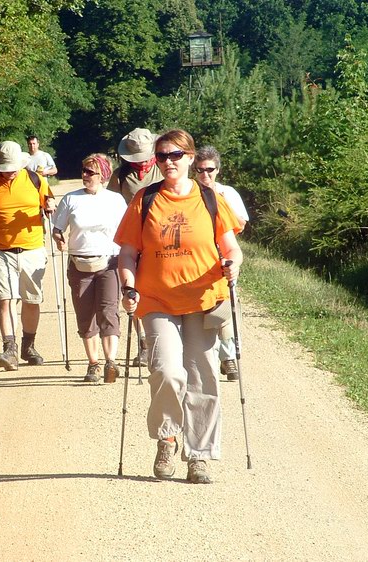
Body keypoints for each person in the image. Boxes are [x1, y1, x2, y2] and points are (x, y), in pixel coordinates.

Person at [114, 129, 243, 484]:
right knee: (168, 372)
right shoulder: (145, 199)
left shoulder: (210, 198)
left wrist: (234, 265)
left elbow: (231, 247)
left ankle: (198, 456)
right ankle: (167, 437)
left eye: (175, 155)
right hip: (156, 299)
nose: (168, 162)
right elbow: (127, 252)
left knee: (203, 376)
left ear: (189, 157)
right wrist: (128, 284)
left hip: (204, 300)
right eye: (162, 156)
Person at [0, 140, 56, 370]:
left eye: (11, 167)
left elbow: (49, 202)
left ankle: (28, 346)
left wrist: (49, 206)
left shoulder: (35, 179)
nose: (7, 172)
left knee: (31, 301)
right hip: (1, 250)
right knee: (5, 300)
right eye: (3, 168)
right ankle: (9, 350)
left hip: (32, 248)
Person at [51, 154, 128, 383]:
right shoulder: (70, 199)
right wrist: (58, 238)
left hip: (110, 261)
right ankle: (93, 364)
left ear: (103, 175)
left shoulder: (115, 200)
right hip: (79, 263)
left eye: (90, 172)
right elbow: (58, 227)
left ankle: (110, 362)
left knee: (108, 311)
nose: (85, 175)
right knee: (85, 315)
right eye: (84, 170)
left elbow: (126, 229)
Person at [108, 127, 163, 368]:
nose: (140, 163)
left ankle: (163, 340)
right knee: (134, 290)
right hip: (132, 240)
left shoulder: (164, 169)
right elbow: (107, 203)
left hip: (162, 239)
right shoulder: (120, 176)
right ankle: (143, 344)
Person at [194, 145, 249, 382]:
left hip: (223, 258)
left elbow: (241, 224)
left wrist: (220, 204)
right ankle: (205, 357)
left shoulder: (228, 193)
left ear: (218, 169)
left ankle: (228, 359)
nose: (205, 175)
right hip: (197, 261)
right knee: (200, 312)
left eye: (209, 170)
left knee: (225, 310)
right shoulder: (189, 194)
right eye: (200, 170)